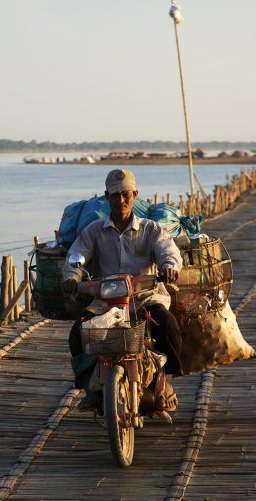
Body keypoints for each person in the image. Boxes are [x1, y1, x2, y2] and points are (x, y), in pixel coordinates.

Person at [61, 168, 183, 412]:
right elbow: (76, 256)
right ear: (107, 197)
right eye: (115, 196)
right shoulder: (94, 230)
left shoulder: (150, 229)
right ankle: (89, 389)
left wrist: (169, 266)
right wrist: (72, 275)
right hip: (105, 303)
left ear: (135, 195)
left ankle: (165, 382)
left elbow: (168, 251)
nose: (121, 201)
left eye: (126, 195)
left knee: (169, 328)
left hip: (144, 300)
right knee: (77, 336)